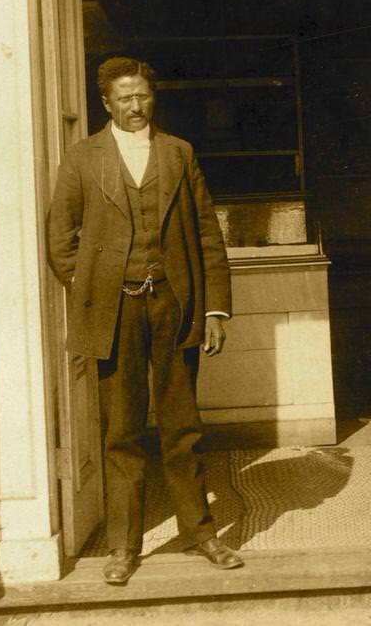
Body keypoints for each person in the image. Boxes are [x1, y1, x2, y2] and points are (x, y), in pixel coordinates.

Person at [46, 56, 241, 585]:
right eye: (125, 98)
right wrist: (91, 290)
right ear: (106, 103)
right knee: (122, 431)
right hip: (115, 313)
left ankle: (201, 533)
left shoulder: (179, 153)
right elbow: (60, 239)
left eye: (143, 96)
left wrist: (214, 309)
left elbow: (207, 236)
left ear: (153, 98)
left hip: (173, 309)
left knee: (182, 427)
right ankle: (123, 547)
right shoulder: (83, 157)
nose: (136, 106)